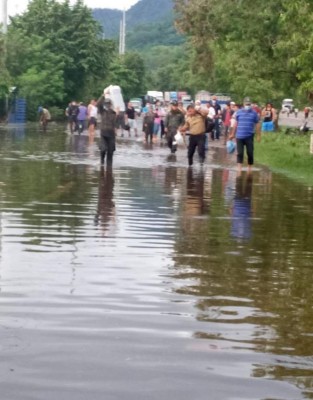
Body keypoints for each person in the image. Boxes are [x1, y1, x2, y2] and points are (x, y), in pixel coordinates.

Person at [229, 97, 260, 175]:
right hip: (239, 136)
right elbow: (235, 124)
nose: (248, 105)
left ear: (251, 104)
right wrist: (232, 134)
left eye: (249, 104)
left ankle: (249, 168)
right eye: (246, 104)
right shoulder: (239, 112)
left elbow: (257, 124)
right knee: (240, 153)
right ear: (243, 104)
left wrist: (258, 135)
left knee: (250, 152)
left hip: (249, 136)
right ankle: (239, 169)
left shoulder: (254, 113)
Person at [97, 96, 117, 168]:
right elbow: (98, 104)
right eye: (106, 104)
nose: (107, 105)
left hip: (111, 134)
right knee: (103, 149)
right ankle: (102, 162)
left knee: (111, 151)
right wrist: (103, 95)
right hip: (103, 134)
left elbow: (116, 124)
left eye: (109, 104)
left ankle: (109, 167)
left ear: (111, 105)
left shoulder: (114, 113)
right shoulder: (102, 111)